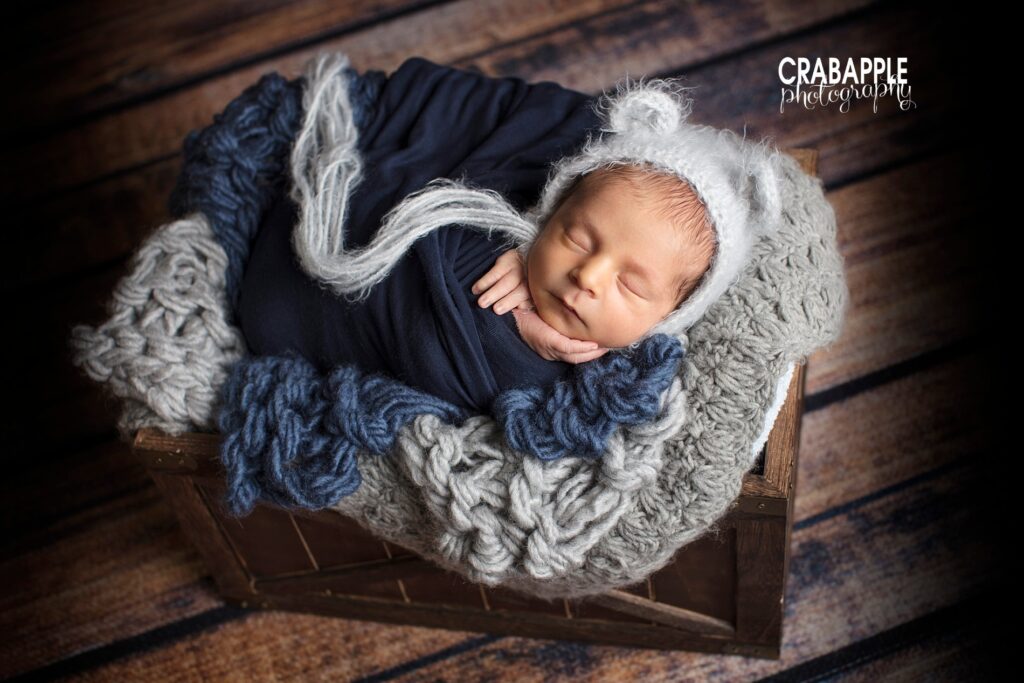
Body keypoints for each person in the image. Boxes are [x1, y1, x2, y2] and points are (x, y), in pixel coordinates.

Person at [472, 162, 716, 363]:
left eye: (630, 285)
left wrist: (516, 349)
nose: (587, 276)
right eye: (578, 241)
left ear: (670, 317)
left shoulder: (627, 382)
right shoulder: (486, 256)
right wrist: (509, 323)